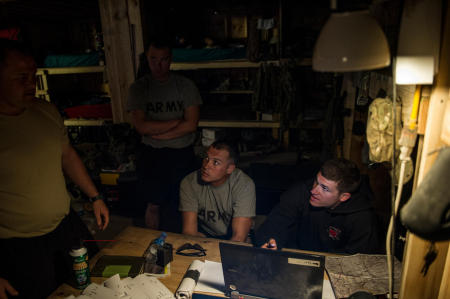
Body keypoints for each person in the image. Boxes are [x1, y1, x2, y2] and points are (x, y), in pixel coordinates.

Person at [0, 39, 109, 299]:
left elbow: (67, 156)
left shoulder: (45, 110)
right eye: (21, 77)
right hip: (18, 245)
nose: (31, 83)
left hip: (64, 226)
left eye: (34, 75)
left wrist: (95, 197)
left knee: (93, 284)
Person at [127, 36, 202, 232]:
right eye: (153, 59)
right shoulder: (139, 88)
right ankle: (153, 248)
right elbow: (141, 127)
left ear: (170, 59)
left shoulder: (185, 86)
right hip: (152, 155)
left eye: (163, 59)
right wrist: (176, 122)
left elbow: (191, 124)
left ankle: (181, 250)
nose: (158, 65)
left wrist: (160, 133)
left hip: (182, 155)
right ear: (147, 59)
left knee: (184, 206)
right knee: (153, 205)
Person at [255, 158, 380, 254]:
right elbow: (275, 223)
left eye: (324, 188)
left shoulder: (362, 218)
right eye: (316, 181)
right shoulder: (301, 191)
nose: (314, 190)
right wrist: (271, 240)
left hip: (337, 272)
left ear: (344, 197)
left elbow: (359, 263)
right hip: (296, 260)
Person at [179, 140, 256, 242]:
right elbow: (189, 233)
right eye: (206, 158)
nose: (206, 166)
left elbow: (239, 237)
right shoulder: (190, 182)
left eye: (215, 162)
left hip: (236, 238)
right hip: (207, 236)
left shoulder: (243, 184)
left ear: (229, 169)